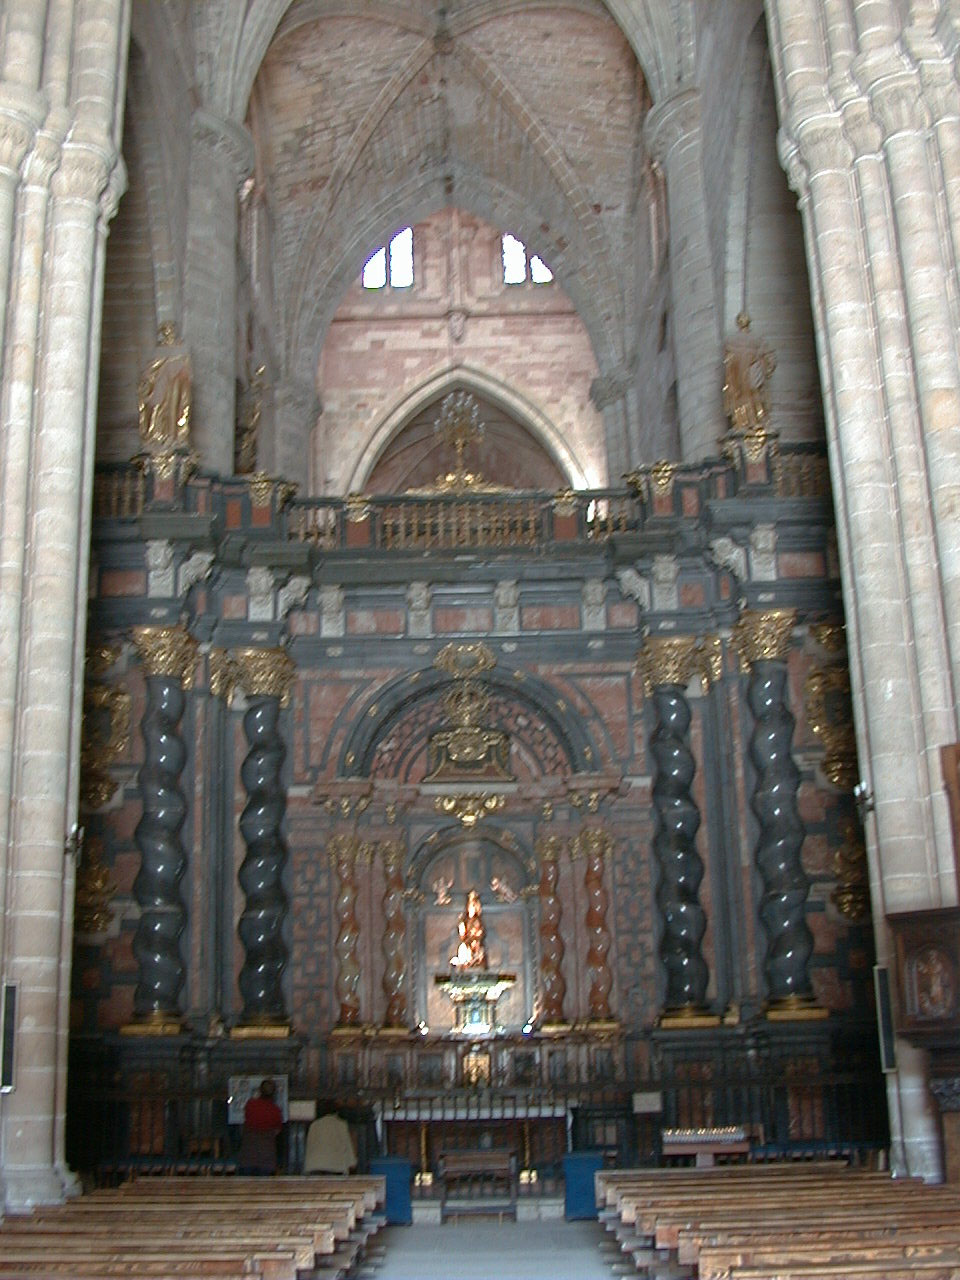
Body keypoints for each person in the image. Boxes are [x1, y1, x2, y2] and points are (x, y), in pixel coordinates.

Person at [239, 1077, 284, 1175]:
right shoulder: (275, 1110)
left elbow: (245, 1120)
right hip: (266, 1155)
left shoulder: (250, 1104)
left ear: (259, 1090)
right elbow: (277, 1130)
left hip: (249, 1153)